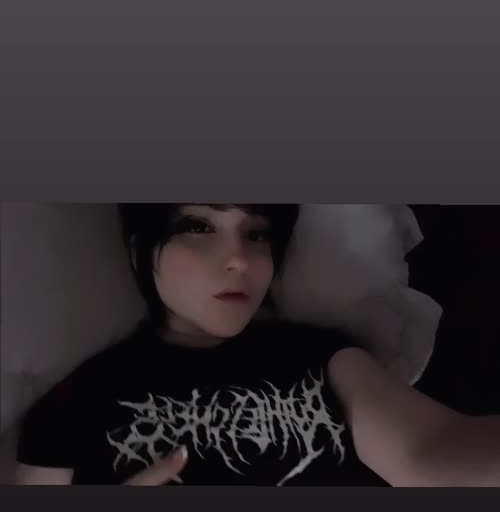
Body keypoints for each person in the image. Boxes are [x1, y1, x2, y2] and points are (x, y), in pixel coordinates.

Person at [15, 203, 500, 487]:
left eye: (257, 234)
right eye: (198, 226)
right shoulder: (75, 402)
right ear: (138, 247)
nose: (240, 261)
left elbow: (430, 450)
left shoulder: (321, 357)